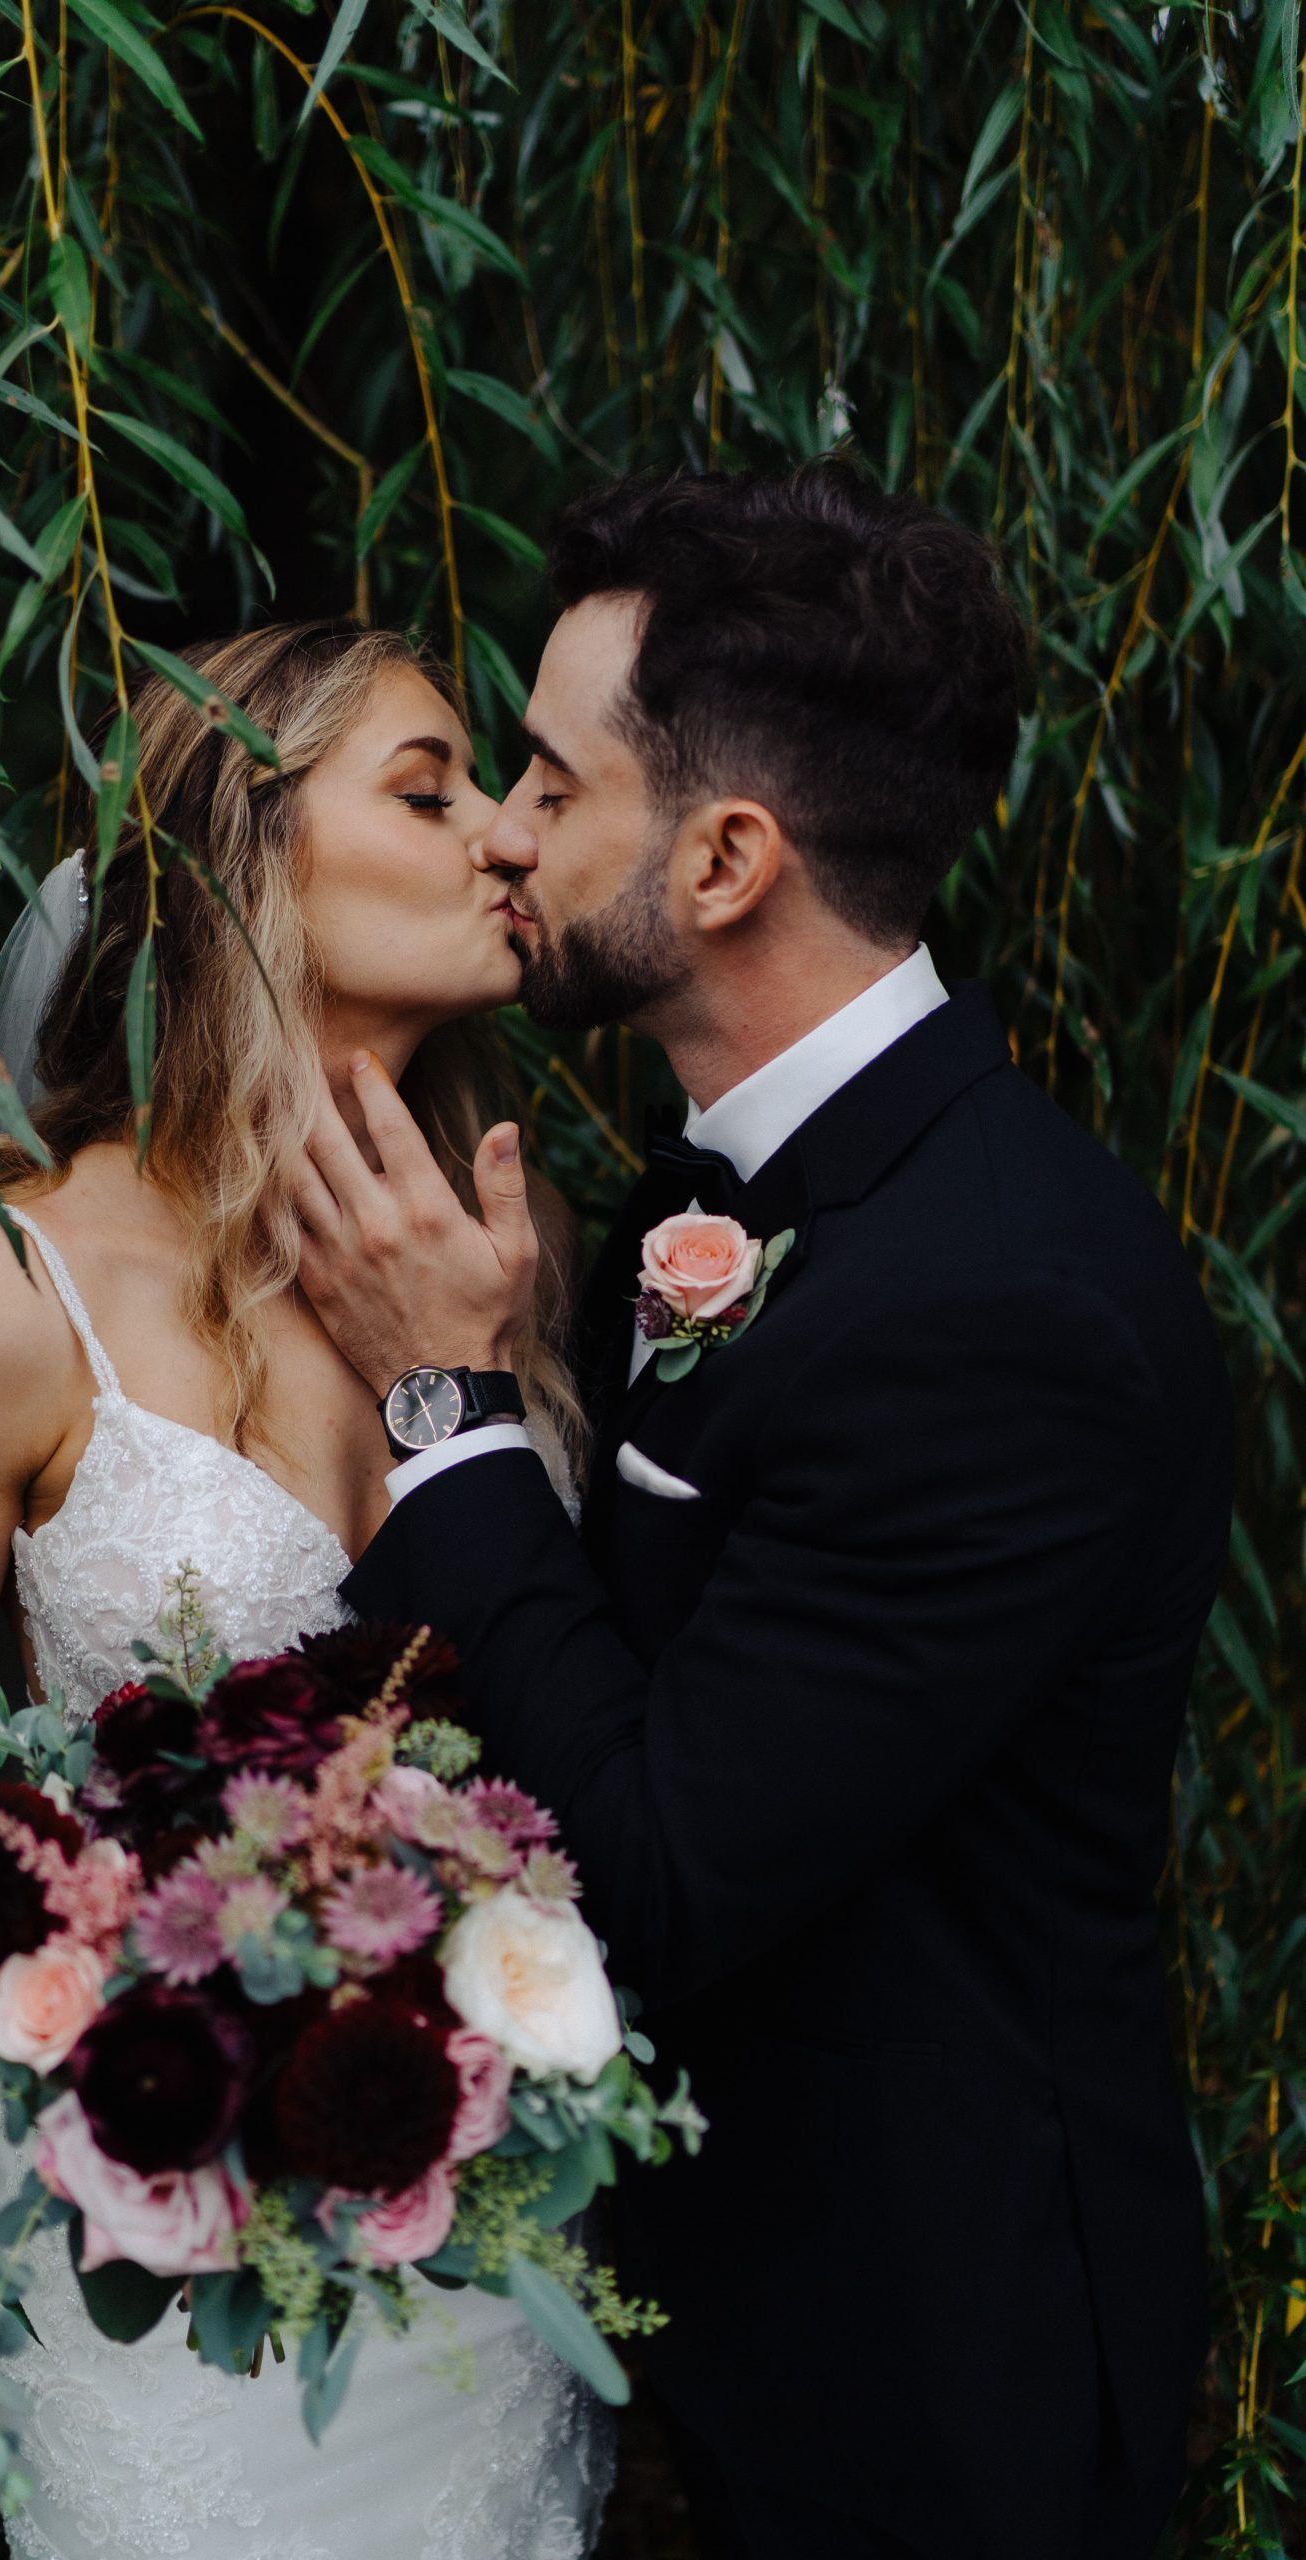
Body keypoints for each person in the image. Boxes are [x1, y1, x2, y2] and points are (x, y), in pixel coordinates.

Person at [290, 464, 1234, 2560]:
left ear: (724, 857)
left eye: (543, 776)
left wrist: (437, 1400)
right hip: (679, 2315)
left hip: (919, 2383)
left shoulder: (1003, 1307)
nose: (505, 835)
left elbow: (656, 1856)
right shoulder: (717, 1194)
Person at [0, 620, 612, 2560]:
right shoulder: (2, 1294)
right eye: (426, 790)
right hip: (147, 2217)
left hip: (471, 2220)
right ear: (232, 847)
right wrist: (93, 1952)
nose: (502, 841)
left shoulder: (524, 1256)